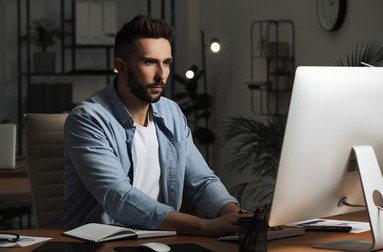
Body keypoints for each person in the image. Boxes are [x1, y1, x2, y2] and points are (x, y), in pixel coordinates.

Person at [60, 15, 248, 237]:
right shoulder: (88, 119)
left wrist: (238, 217)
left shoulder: (171, 113)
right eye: (149, 62)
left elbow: (201, 181)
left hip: (160, 240)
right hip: (98, 243)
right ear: (121, 67)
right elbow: (118, 198)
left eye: (166, 63)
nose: (161, 75)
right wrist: (204, 226)